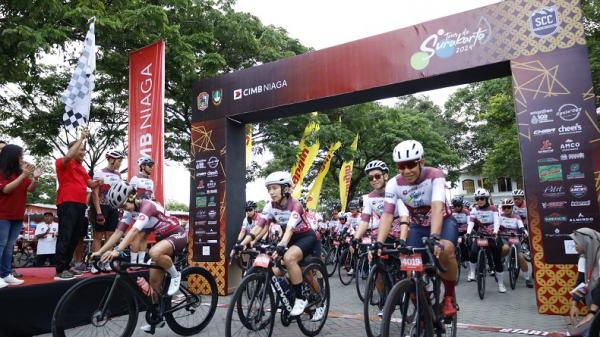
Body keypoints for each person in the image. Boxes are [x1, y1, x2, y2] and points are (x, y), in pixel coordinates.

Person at [376, 140, 459, 317]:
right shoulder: (393, 183)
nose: (406, 170)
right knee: (409, 269)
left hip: (443, 222)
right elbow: (388, 214)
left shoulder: (435, 175)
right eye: (401, 166)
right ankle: (424, 311)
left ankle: (450, 296)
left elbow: (437, 206)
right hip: (419, 227)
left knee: (446, 251)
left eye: (411, 164)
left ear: (421, 162)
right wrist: (378, 242)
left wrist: (435, 237)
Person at [92, 181, 186, 333]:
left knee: (154, 252)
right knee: (154, 284)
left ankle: (175, 275)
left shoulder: (147, 205)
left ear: (131, 197)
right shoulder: (129, 212)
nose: (123, 210)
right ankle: (157, 317)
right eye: (120, 208)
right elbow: (118, 233)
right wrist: (100, 251)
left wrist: (117, 250)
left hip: (177, 234)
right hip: (162, 239)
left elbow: (134, 232)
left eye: (123, 205)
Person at [238, 171, 319, 317]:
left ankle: (304, 299)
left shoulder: (296, 204)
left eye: (274, 188)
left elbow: (289, 229)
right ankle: (289, 295)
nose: (271, 192)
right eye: (269, 189)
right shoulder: (270, 206)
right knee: (275, 271)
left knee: (289, 259)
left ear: (286, 188)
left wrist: (281, 245)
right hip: (289, 239)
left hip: (305, 237)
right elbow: (259, 226)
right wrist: (242, 243)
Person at [54, 128, 102, 281]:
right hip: (67, 202)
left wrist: (101, 182)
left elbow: (91, 184)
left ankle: (67, 266)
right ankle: (60, 269)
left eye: (84, 151)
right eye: (81, 150)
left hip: (81, 205)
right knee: (65, 236)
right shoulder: (62, 162)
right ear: (73, 150)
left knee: (75, 237)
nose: (83, 153)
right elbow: (68, 156)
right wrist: (81, 138)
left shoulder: (81, 168)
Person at [0, 144, 42, 287]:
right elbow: (6, 189)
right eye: (20, 155)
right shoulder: (2, 171)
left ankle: (6, 274)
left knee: (9, 245)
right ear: (12, 156)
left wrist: (35, 178)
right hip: (2, 214)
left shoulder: (20, 172)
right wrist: (24, 175)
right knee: (1, 244)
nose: (22, 158)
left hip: (17, 215)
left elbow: (30, 189)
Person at [91, 149, 126, 272]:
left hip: (113, 208)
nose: (120, 163)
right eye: (119, 160)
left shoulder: (118, 175)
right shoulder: (99, 173)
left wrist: (121, 209)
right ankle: (95, 263)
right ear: (111, 159)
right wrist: (99, 212)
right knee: (98, 236)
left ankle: (106, 262)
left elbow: (120, 194)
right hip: (102, 206)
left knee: (110, 236)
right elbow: (95, 193)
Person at [467, 188, 504, 291]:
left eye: (482, 198)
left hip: (492, 233)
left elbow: (497, 221)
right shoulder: (475, 209)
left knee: (497, 260)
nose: (479, 200)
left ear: (486, 198)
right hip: (481, 233)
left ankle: (501, 284)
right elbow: (471, 222)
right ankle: (473, 273)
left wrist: (496, 232)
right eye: (477, 198)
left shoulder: (493, 208)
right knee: (473, 252)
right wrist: (468, 232)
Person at [569, 228, 600, 334]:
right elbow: (582, 282)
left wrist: (592, 312)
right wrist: (574, 303)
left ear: (586, 242)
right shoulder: (583, 257)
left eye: (576, 243)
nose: (575, 246)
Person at [497, 198, 533, 288]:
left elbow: (521, 226)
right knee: (505, 248)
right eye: (504, 207)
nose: (506, 209)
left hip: (514, 238)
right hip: (504, 238)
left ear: (512, 208)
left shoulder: (517, 217)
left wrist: (524, 231)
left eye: (508, 207)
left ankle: (527, 278)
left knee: (521, 257)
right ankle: (501, 260)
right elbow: (496, 226)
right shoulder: (500, 216)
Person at [129, 156, 155, 266]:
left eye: (152, 166)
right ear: (142, 166)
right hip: (138, 211)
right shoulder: (135, 179)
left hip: (147, 211)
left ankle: (141, 262)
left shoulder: (150, 181)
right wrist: (136, 205)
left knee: (145, 237)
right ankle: (133, 263)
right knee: (138, 237)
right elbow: (130, 195)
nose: (151, 168)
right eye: (149, 166)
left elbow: (151, 196)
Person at [451, 195, 471, 266]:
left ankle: (465, 259)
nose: (457, 207)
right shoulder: (451, 212)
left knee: (464, 245)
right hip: (455, 231)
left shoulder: (466, 212)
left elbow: (469, 223)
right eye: (455, 206)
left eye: (459, 205)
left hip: (464, 231)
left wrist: (467, 233)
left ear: (461, 205)